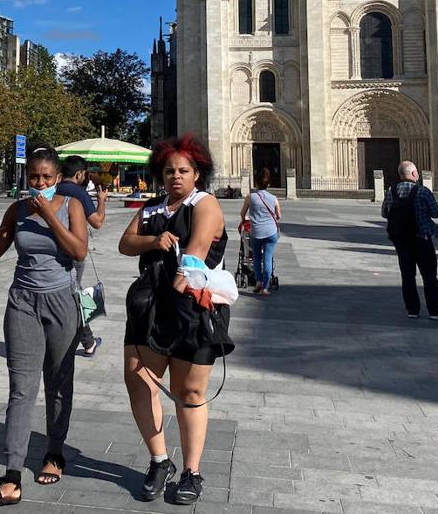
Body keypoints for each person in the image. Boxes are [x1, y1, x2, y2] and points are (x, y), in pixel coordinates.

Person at [0, 146, 88, 504]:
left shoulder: (70, 205)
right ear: (26, 178)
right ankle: (12, 471)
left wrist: (50, 215)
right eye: (34, 177)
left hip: (62, 301)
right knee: (21, 386)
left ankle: (54, 452)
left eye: (47, 178)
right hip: (22, 302)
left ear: (58, 179)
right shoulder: (17, 210)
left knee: (59, 380)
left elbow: (78, 251)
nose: (40, 183)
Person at [120, 135, 232, 506]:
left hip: (191, 310)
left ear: (197, 173)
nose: (175, 177)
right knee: (139, 381)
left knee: (189, 393)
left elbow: (198, 251)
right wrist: (153, 242)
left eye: (183, 170)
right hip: (150, 308)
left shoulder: (206, 204)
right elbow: (126, 242)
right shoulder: (153, 208)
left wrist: (183, 277)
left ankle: (192, 471)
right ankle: (159, 460)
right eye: (168, 171)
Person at [381, 162, 438, 321]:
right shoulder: (422, 191)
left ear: (400, 175)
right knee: (429, 276)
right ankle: (434, 311)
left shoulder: (390, 191)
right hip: (422, 239)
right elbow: (436, 213)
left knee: (407, 276)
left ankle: (412, 310)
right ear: (413, 174)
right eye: (417, 172)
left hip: (401, 240)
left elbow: (385, 213)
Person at [59, 154, 108, 357]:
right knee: (76, 296)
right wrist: (101, 201)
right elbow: (97, 221)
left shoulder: (55, 189)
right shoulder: (78, 193)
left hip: (54, 250)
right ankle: (88, 341)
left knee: (69, 294)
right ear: (79, 174)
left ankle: (86, 340)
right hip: (74, 251)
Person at [237, 168, 281, 295]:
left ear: (256, 183)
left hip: (256, 232)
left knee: (256, 257)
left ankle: (258, 282)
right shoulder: (274, 198)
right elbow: (279, 216)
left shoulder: (251, 197)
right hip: (271, 233)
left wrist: (246, 220)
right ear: (269, 184)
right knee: (267, 259)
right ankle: (265, 288)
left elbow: (242, 213)